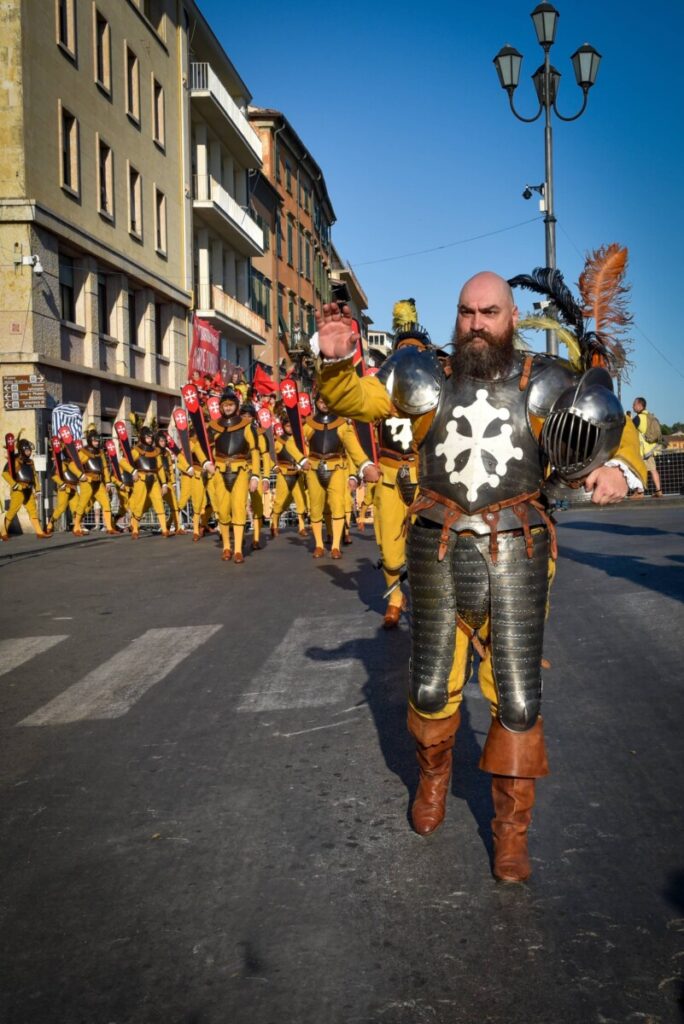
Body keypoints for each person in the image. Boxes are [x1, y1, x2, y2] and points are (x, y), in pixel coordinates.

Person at [315, 273, 646, 883]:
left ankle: (511, 831)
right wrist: (336, 362)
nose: (475, 323)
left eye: (488, 312)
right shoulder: (426, 378)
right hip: (438, 548)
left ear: (511, 315)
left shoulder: (544, 381)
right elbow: (356, 402)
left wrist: (621, 465)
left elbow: (608, 419)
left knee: (516, 698)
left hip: (518, 553)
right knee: (432, 688)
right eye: (466, 311)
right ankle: (434, 780)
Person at [302, 392, 373, 559]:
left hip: (337, 467)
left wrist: (364, 465)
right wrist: (300, 459)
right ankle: (319, 544)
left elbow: (353, 447)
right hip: (313, 467)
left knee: (338, 505)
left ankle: (335, 545)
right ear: (316, 402)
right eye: (321, 401)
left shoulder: (342, 424)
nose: (324, 404)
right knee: (316, 506)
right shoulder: (309, 425)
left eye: (327, 401)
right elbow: (296, 443)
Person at [206, 389, 260, 563]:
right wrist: (207, 463)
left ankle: (237, 550)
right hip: (220, 471)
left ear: (235, 406)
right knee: (222, 511)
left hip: (241, 470)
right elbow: (201, 445)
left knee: (238, 508)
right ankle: (226, 547)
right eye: (225, 405)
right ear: (221, 407)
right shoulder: (214, 426)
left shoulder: (245, 425)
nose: (228, 408)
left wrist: (255, 476)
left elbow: (255, 450)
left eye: (230, 405)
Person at [70, 428, 118, 536]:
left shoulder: (100, 452)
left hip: (99, 482)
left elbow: (105, 467)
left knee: (106, 503)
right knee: (82, 504)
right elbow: (72, 465)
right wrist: (80, 475)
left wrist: (108, 482)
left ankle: (109, 527)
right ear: (90, 440)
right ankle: (76, 527)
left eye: (97, 441)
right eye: (95, 441)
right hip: (87, 481)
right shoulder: (83, 452)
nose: (96, 443)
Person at [1, 438, 51, 540]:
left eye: (29, 450)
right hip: (18, 490)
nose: (29, 452)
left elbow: (34, 475)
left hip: (29, 490)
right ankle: (3, 532)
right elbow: (5, 474)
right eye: (27, 450)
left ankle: (39, 532)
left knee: (33, 511)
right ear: (22, 450)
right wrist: (15, 485)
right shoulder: (15, 461)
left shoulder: (30, 462)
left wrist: (37, 489)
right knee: (13, 511)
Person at [631, 397, 664, 498]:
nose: (633, 406)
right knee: (653, 470)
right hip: (651, 449)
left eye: (634, 404)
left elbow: (629, 429)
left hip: (643, 451)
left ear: (640, 405)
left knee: (638, 470)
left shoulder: (639, 418)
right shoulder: (649, 416)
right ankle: (658, 491)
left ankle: (640, 492)